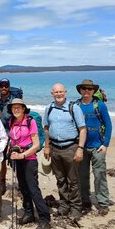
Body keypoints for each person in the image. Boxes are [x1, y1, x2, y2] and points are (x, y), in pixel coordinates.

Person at [43, 83, 87, 220]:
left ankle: (76, 208)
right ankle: (64, 205)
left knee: (73, 180)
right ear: (52, 93)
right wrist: (47, 146)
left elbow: (83, 129)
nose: (58, 94)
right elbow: (46, 128)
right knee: (60, 179)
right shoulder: (49, 108)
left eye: (61, 92)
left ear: (65, 92)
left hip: (71, 148)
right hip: (55, 148)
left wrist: (80, 149)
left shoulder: (74, 108)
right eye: (56, 92)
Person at [7, 98, 51, 229]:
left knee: (33, 189)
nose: (16, 109)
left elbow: (37, 144)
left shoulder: (30, 121)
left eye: (18, 107)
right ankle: (29, 213)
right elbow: (12, 139)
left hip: (29, 159)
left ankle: (44, 218)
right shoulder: (12, 121)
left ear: (24, 108)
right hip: (17, 159)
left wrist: (23, 155)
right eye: (14, 107)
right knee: (23, 188)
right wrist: (11, 151)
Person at [75, 79, 113, 216]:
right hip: (81, 147)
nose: (86, 91)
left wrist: (105, 144)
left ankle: (103, 203)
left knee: (99, 175)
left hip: (98, 147)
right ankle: (85, 201)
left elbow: (108, 125)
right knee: (82, 176)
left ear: (93, 91)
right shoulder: (75, 105)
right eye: (84, 88)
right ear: (80, 90)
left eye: (89, 89)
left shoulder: (100, 105)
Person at [0, 78, 22, 195]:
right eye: (2, 86)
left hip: (15, 136)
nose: (3, 88)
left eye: (6, 86)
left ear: (9, 87)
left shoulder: (14, 102)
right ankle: (2, 183)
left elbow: (20, 117)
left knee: (17, 161)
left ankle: (21, 185)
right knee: (2, 160)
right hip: (1, 136)